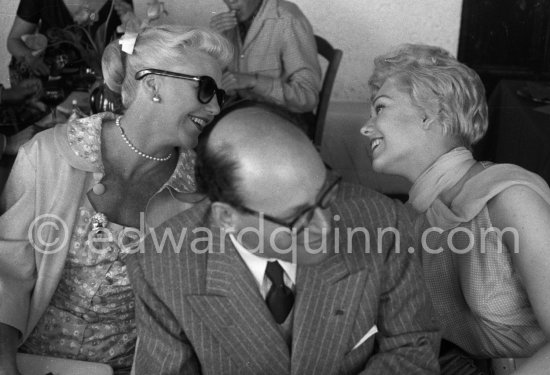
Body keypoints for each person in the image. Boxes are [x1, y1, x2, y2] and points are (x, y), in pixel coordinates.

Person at [126, 103, 440, 374]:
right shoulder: (161, 266)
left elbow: (413, 347)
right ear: (227, 218)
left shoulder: (382, 224)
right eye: (297, 217)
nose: (326, 224)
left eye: (325, 194)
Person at [0, 24, 232, 375]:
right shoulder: (47, 156)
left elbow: (201, 311)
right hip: (30, 359)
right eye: (205, 88)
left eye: (218, 95)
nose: (214, 107)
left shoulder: (201, 191)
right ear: (153, 83)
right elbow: (7, 276)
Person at [360, 44, 550, 374]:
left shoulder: (510, 197)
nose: (366, 127)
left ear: (430, 112)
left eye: (380, 108)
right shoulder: (410, 220)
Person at [209, 0, 321, 114]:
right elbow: (224, 83)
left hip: (286, 117)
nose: (230, 1)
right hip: (246, 109)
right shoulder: (230, 24)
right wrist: (216, 41)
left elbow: (307, 98)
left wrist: (254, 81)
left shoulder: (288, 19)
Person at [7, 0, 133, 81]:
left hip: (100, 84)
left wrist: (130, 22)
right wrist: (30, 58)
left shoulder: (120, 2)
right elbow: (14, 40)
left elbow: (130, 51)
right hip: (51, 84)